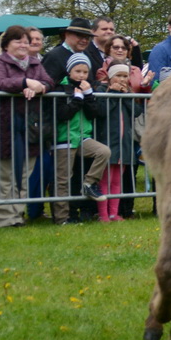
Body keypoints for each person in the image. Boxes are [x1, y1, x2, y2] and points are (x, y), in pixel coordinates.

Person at [0, 26, 53, 228]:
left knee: (24, 173)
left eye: (26, 41)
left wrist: (40, 87)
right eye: (18, 41)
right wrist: (24, 82)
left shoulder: (35, 63)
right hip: (1, 124)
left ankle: (17, 214)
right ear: (6, 45)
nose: (23, 45)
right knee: (3, 173)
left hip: (29, 125)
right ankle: (4, 218)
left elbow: (48, 81)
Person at [50, 55, 110, 223]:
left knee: (103, 151)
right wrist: (77, 100)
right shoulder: (60, 88)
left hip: (83, 136)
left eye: (85, 72)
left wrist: (88, 95)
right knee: (63, 179)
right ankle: (61, 218)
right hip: (64, 138)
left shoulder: (87, 88)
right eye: (78, 71)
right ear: (69, 71)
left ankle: (89, 184)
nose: (81, 75)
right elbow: (62, 114)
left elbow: (93, 113)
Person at [93, 63, 140, 221]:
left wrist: (126, 97)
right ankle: (103, 214)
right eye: (118, 75)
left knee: (117, 180)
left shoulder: (128, 92)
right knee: (105, 180)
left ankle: (114, 213)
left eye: (125, 76)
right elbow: (101, 111)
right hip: (107, 141)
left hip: (123, 143)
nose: (122, 79)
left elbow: (136, 111)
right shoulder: (102, 90)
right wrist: (113, 93)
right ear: (110, 76)